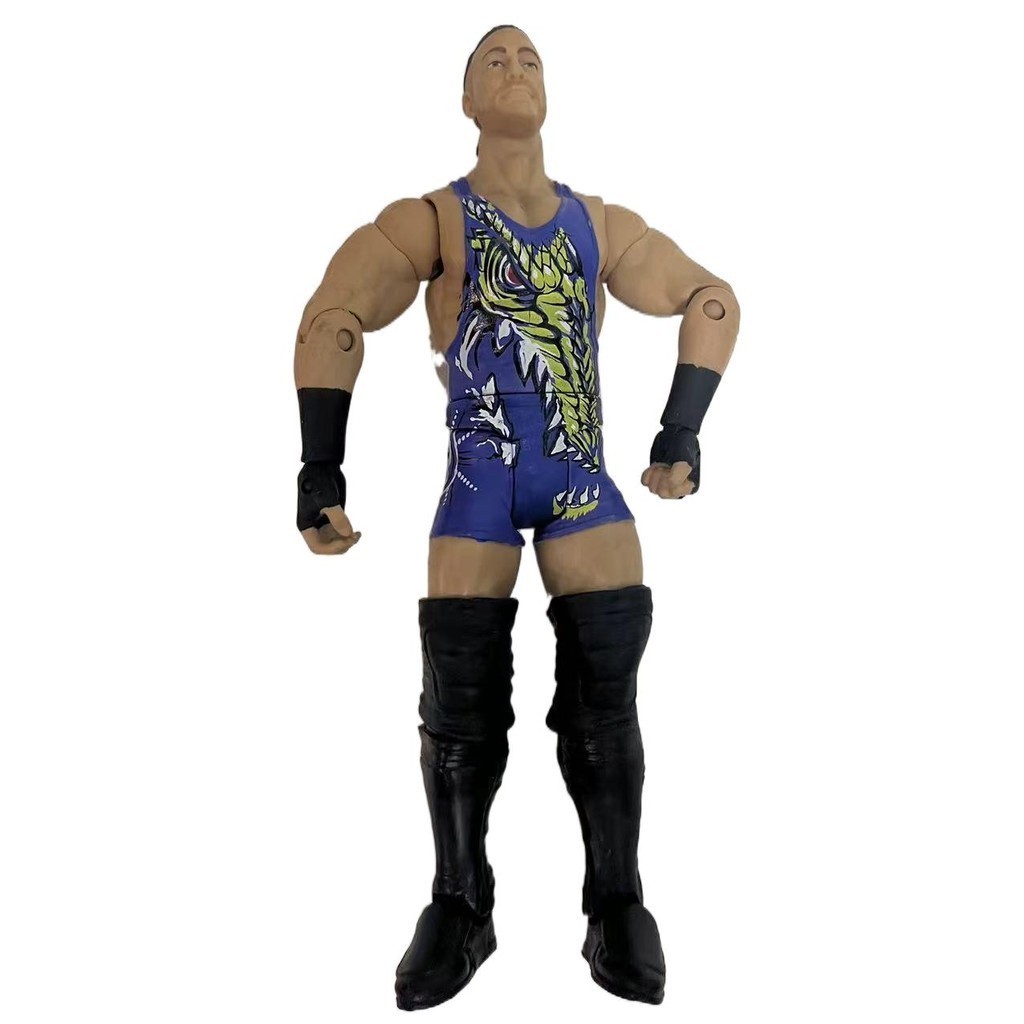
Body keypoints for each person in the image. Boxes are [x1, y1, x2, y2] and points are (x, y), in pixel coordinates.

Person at [293, 23, 740, 1010]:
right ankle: (461, 900)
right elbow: (335, 314)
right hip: (480, 475)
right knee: (456, 703)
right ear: (466, 99)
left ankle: (616, 898)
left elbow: (710, 299)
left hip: (579, 475)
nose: (514, 66)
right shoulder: (432, 221)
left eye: (530, 58)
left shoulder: (600, 224)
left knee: (605, 696)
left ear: (549, 93)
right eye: (493, 59)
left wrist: (681, 432)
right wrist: (320, 468)